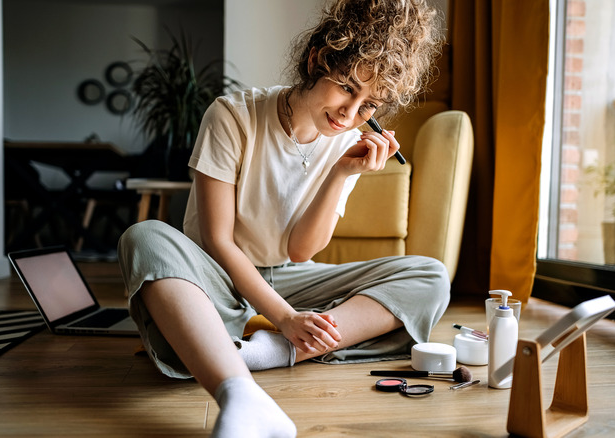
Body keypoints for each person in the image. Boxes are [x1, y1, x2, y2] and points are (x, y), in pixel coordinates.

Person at [118, 1, 447, 436]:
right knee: (143, 237)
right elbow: (218, 241)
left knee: (430, 276)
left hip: (291, 275)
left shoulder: (347, 142)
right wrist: (288, 318)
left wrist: (342, 173)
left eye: (371, 106)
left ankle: (256, 352)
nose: (351, 113)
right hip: (213, 277)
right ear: (318, 60)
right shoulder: (231, 116)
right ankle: (238, 390)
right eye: (347, 87)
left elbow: (300, 250)